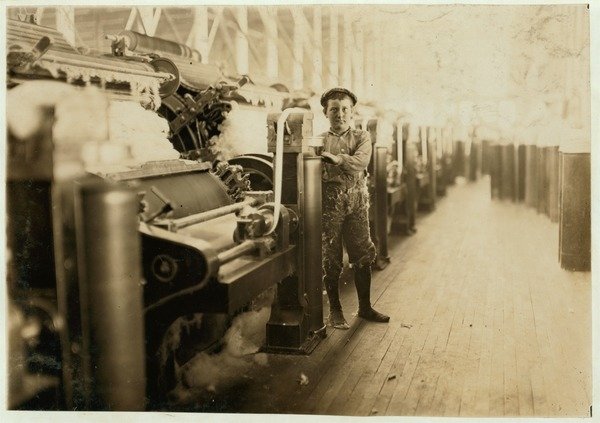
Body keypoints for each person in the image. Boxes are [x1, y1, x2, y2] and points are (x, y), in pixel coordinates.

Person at [319, 87, 390, 329]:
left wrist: (338, 160)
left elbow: (361, 161)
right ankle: (335, 312)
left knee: (362, 253)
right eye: (334, 109)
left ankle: (365, 307)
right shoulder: (319, 141)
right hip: (330, 203)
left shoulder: (361, 137)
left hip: (357, 202)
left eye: (344, 109)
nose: (339, 114)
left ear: (352, 112)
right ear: (325, 113)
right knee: (331, 258)